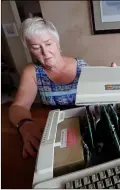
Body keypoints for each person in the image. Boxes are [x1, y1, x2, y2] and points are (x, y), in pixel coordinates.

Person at [9, 17, 87, 158]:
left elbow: (97, 100)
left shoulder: (82, 66)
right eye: (36, 47)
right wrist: (26, 126)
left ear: (57, 43)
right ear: (30, 50)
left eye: (48, 43)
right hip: (55, 131)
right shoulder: (31, 71)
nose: (45, 52)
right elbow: (18, 107)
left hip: (85, 127)